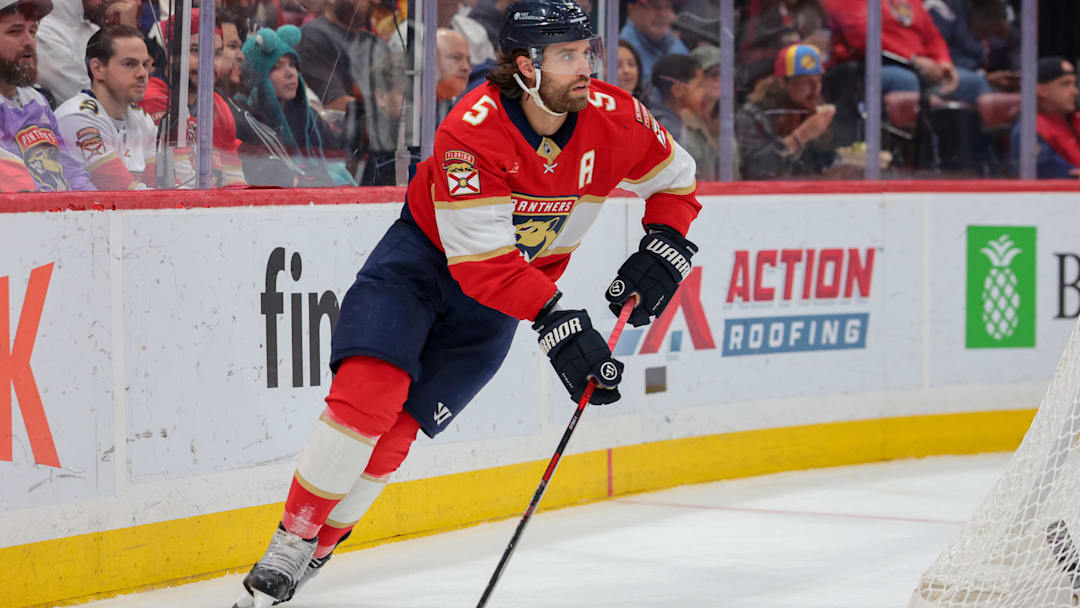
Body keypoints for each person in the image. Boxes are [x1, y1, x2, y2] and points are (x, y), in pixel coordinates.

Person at [232, 1, 701, 606]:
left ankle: (318, 550)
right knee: (369, 394)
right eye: (567, 55)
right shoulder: (471, 129)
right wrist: (557, 319)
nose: (586, 66)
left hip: (506, 297)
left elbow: (676, 179)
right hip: (421, 268)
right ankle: (290, 542)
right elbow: (482, 265)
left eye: (587, 52)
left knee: (399, 432)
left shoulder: (617, 117)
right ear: (526, 66)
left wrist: (666, 241)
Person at [140, 9, 247, 187]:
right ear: (171, 54)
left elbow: (235, 180)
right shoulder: (153, 100)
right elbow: (179, 186)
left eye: (216, 54)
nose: (208, 62)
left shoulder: (218, 106)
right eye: (196, 51)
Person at [237, 24, 353, 186]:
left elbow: (338, 149)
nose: (290, 73)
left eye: (292, 65)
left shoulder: (309, 117)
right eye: (277, 66)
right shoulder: (249, 121)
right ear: (257, 76)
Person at [0, 0, 95, 192]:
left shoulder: (36, 100)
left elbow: (70, 169)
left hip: (61, 208)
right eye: (15, 32)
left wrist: (94, 201)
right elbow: (17, 188)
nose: (29, 41)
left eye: (33, 31)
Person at [826, 0, 991, 106]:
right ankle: (907, 150)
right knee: (905, 80)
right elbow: (863, 35)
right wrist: (913, 60)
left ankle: (973, 150)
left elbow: (932, 36)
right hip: (869, 67)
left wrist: (943, 62)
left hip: (919, 67)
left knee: (974, 83)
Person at [55, 25, 157, 190]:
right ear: (98, 69)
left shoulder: (143, 120)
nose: (142, 73)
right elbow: (122, 191)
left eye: (145, 64)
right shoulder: (77, 117)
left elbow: (161, 186)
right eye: (129, 64)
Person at [735, 43, 838, 179]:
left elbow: (825, 159)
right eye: (806, 81)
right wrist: (801, 136)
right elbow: (754, 168)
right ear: (783, 82)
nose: (815, 89)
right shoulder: (753, 115)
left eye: (818, 80)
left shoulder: (816, 108)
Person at [36, 0, 140, 102]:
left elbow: (141, 78)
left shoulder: (92, 28)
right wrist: (127, 35)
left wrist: (124, 32)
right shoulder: (43, 34)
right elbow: (84, 98)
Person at [1011, 57, 1080, 179]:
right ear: (1041, 90)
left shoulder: (1071, 118)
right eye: (1065, 84)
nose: (1075, 91)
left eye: (1074, 84)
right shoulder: (1029, 130)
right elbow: (1055, 174)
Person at [620, 0, 689, 86]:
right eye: (655, 7)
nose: (663, 14)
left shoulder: (673, 42)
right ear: (632, 9)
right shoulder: (622, 49)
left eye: (667, 7)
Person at [649, 53, 705, 150]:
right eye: (699, 86)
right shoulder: (670, 131)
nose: (704, 92)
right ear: (677, 90)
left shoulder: (678, 122)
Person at [436, 27, 470, 123]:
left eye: (468, 60)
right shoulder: (408, 108)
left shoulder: (466, 106)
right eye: (456, 57)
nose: (466, 67)